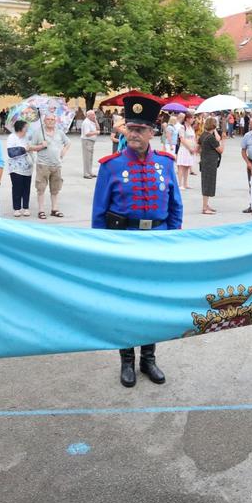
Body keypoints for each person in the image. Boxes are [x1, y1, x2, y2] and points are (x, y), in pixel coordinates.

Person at [92, 96, 182, 387]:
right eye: (130, 128)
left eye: (140, 129)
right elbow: (99, 215)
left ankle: (149, 359)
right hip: (124, 245)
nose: (133, 133)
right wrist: (103, 252)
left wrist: (171, 241)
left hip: (157, 244)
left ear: (152, 132)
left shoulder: (166, 164)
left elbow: (175, 208)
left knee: (154, 304)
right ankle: (127, 360)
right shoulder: (111, 167)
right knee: (126, 304)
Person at [28, 113, 70, 219]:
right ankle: (41, 211)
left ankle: (54, 209)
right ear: (44, 121)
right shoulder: (38, 133)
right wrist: (41, 146)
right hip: (43, 165)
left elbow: (68, 142)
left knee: (55, 189)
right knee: (41, 189)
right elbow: (30, 147)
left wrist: (63, 151)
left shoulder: (60, 132)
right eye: (48, 119)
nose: (51, 121)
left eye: (52, 119)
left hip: (57, 165)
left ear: (55, 121)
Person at [6, 119, 38, 216]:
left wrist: (34, 147)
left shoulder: (28, 137)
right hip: (16, 168)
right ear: (20, 128)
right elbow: (11, 153)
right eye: (26, 127)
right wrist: (24, 149)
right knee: (17, 188)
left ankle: (25, 207)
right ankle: (17, 208)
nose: (27, 129)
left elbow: (33, 146)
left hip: (28, 167)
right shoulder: (12, 137)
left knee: (26, 188)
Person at [199, 116, 223, 214]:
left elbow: (198, 147)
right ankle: (204, 207)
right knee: (208, 184)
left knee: (206, 183)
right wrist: (223, 141)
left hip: (205, 161)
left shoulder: (203, 135)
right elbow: (220, 150)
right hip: (210, 163)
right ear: (214, 126)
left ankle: (206, 204)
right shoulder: (210, 138)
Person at [175, 113, 197, 189]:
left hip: (191, 148)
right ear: (187, 119)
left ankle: (185, 183)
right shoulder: (182, 127)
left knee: (187, 166)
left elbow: (194, 138)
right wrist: (189, 147)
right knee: (181, 166)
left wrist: (194, 147)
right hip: (184, 148)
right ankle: (180, 184)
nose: (193, 120)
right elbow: (182, 139)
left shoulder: (191, 128)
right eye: (192, 118)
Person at [81, 109, 100, 178]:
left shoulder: (91, 121)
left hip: (91, 141)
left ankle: (90, 172)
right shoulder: (86, 122)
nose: (94, 116)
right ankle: (86, 173)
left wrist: (95, 121)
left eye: (94, 114)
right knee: (87, 158)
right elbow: (87, 134)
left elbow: (98, 128)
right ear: (89, 115)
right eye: (93, 115)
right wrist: (96, 133)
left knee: (90, 158)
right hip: (87, 141)